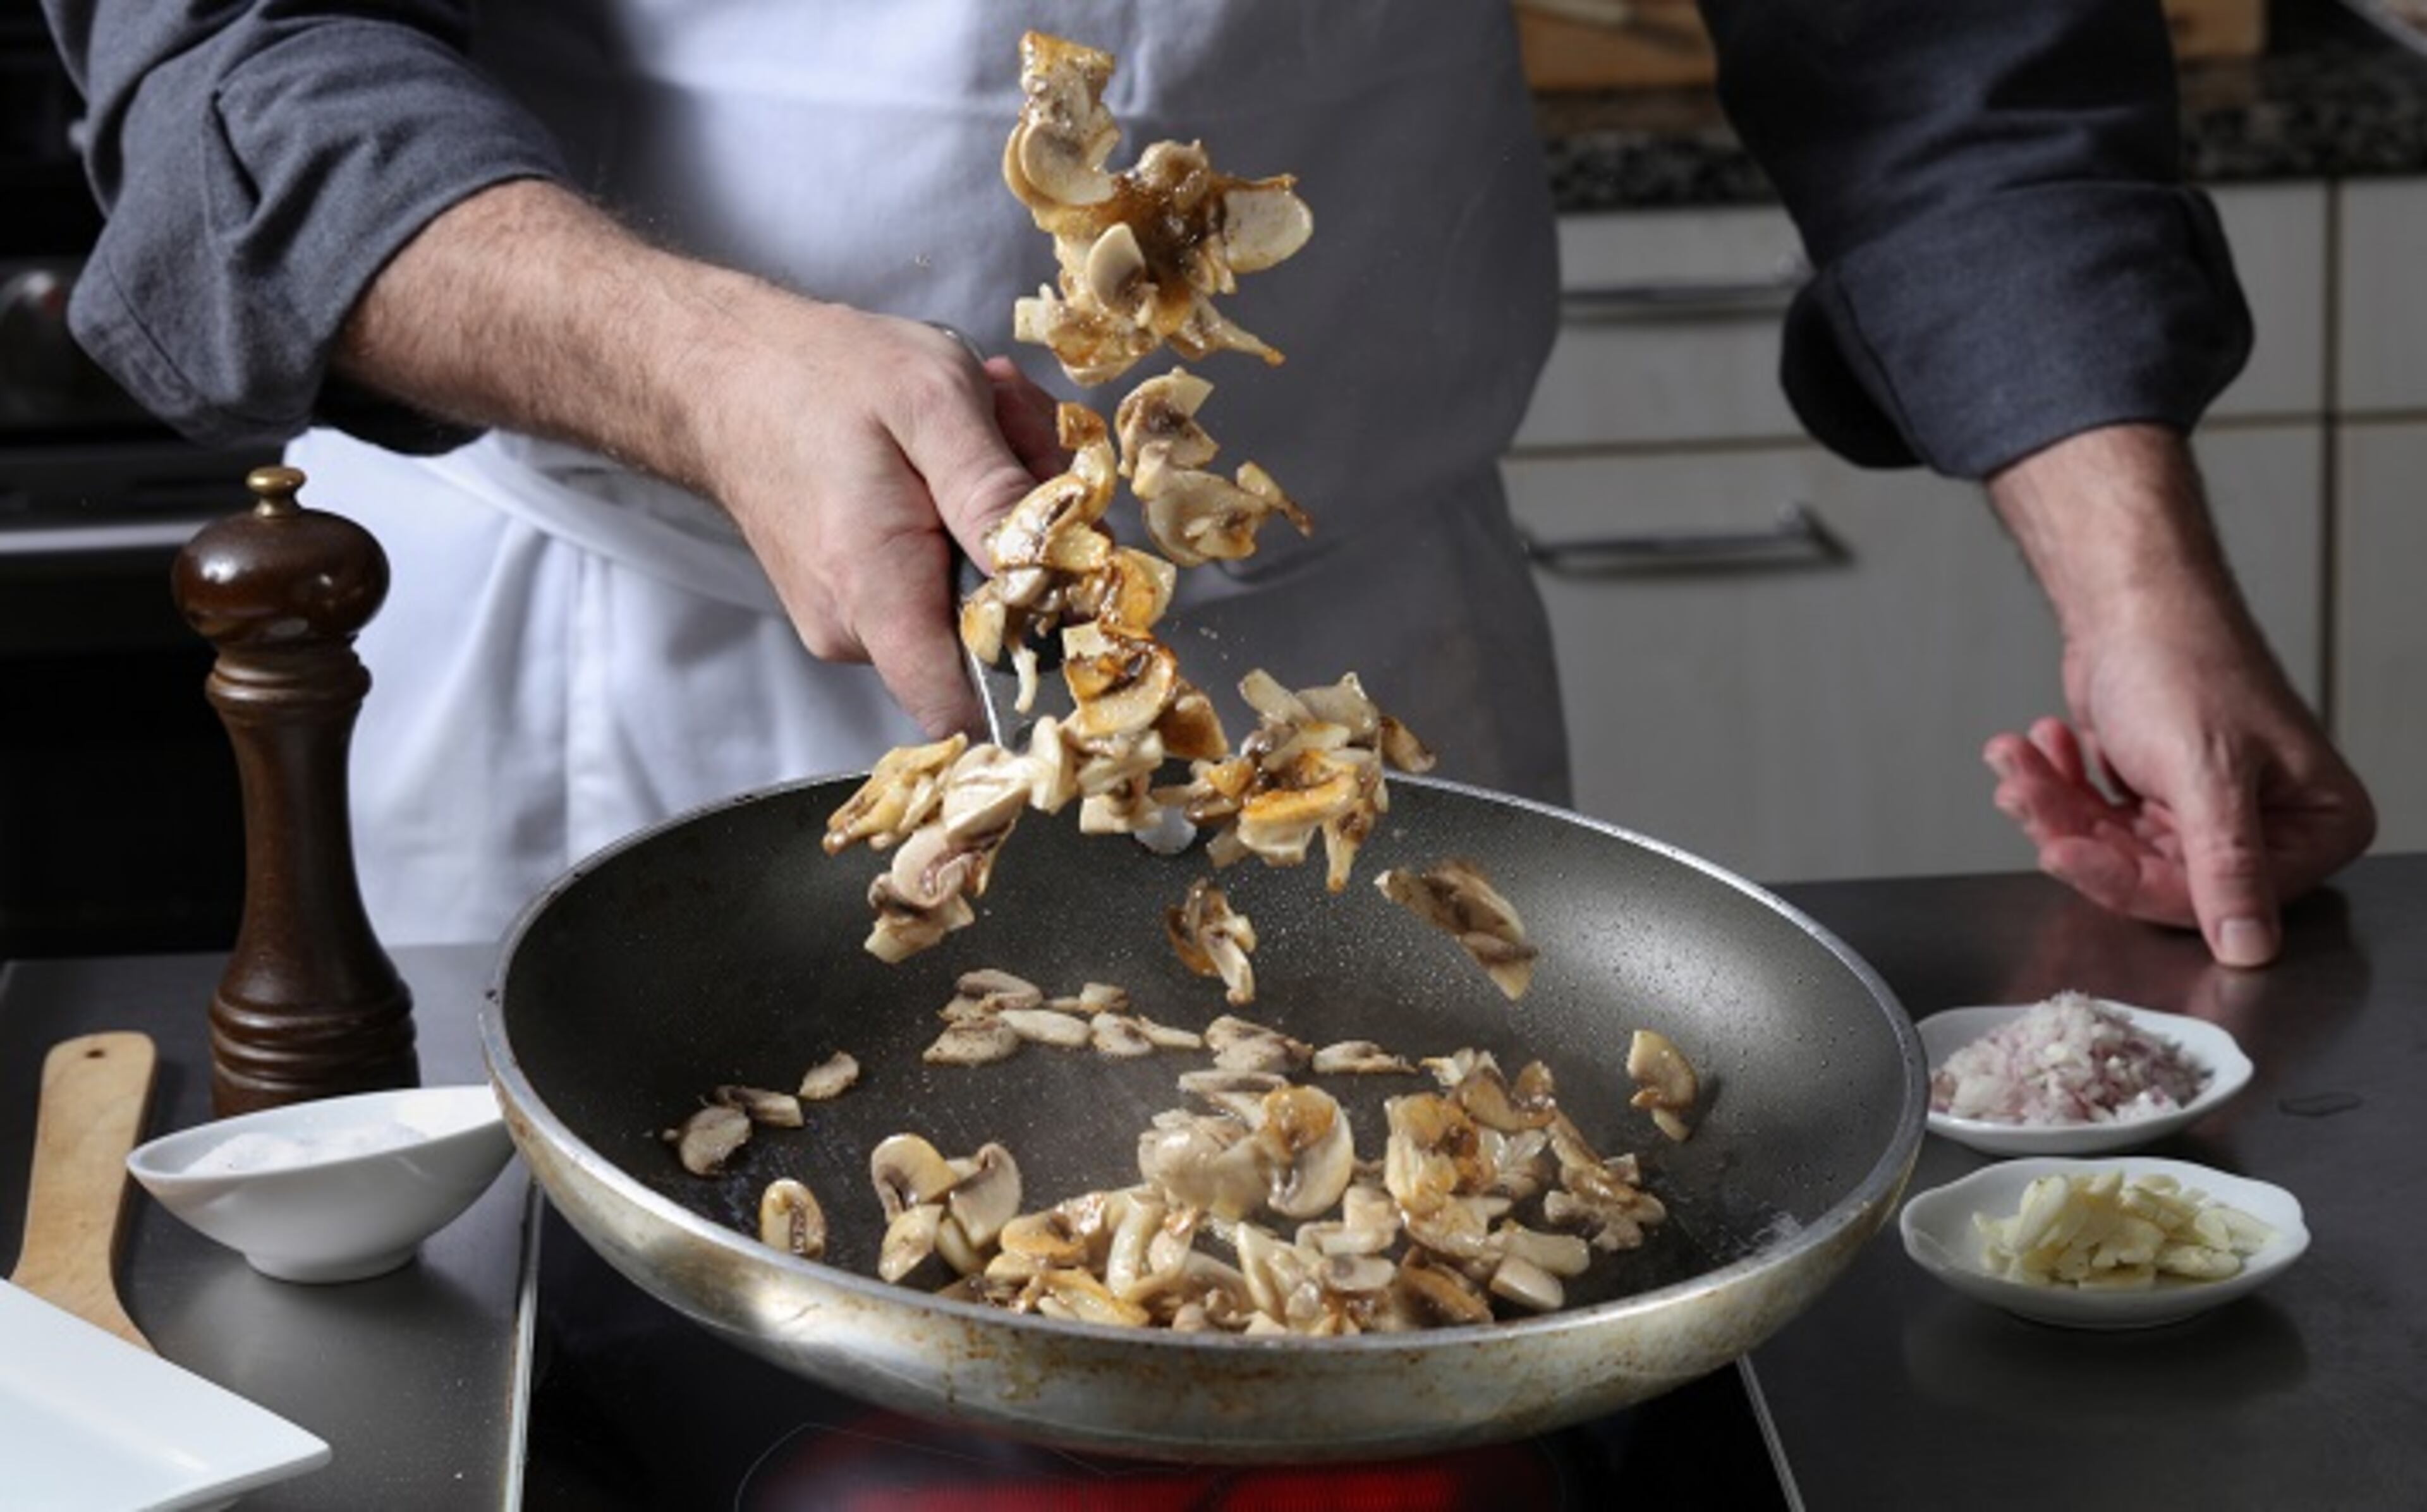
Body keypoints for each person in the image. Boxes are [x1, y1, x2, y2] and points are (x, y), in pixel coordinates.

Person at [42, 0, 2371, 968]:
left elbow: (1936, 27)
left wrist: (2131, 575)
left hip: (1359, 699)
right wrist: (699, 361)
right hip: (634, 662)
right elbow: (235, 62)